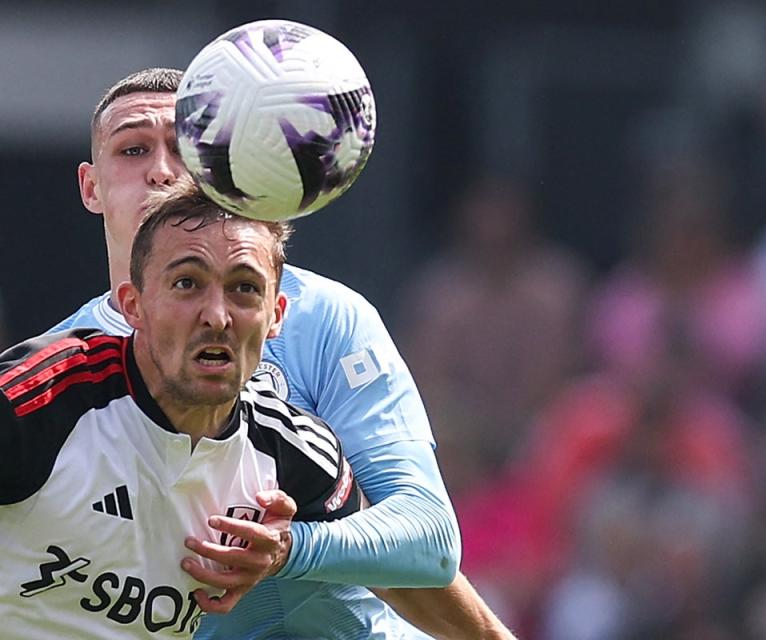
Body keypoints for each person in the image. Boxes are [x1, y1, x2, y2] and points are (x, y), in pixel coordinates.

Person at [52, 67, 514, 639]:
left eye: (184, 145)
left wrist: (291, 549)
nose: (163, 170)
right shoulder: (56, 375)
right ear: (91, 186)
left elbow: (426, 540)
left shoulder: (326, 316)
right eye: (133, 149)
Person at [1, 182, 363, 638]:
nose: (216, 315)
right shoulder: (41, 399)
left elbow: (409, 572)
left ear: (276, 315)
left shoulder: (295, 454)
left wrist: (290, 548)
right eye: (187, 283)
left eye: (245, 288)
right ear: (134, 305)